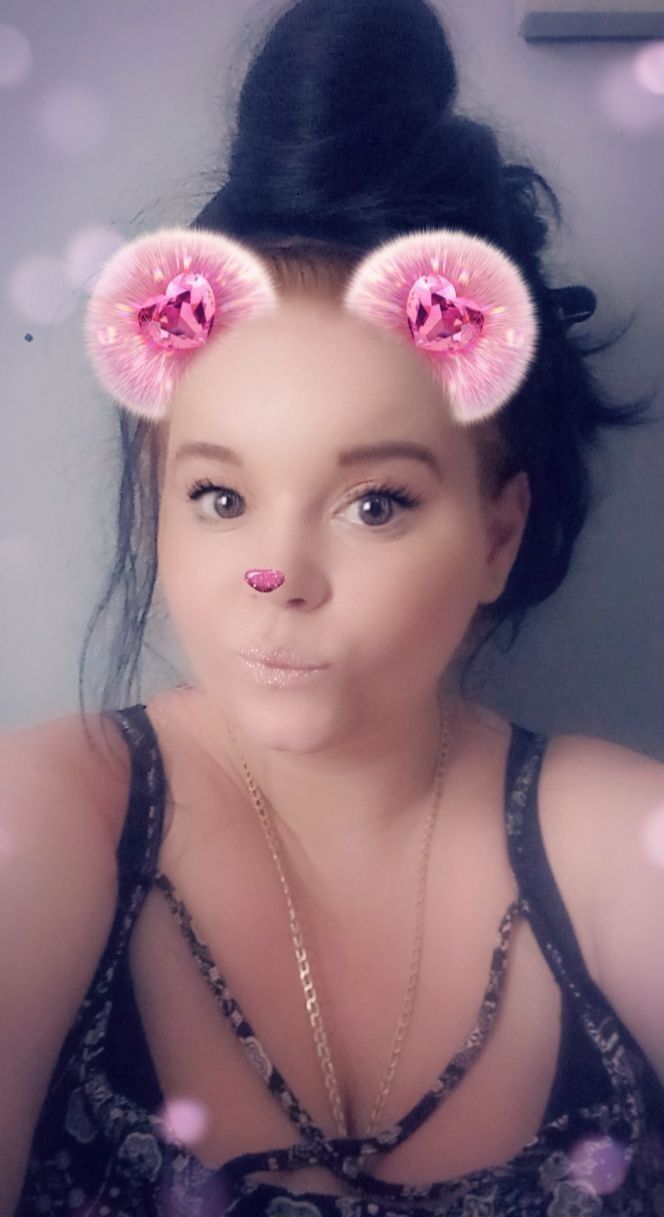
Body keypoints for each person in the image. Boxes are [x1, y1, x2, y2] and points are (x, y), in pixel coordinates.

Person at [4, 0, 664, 1213]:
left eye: (373, 502)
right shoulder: (44, 823)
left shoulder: (618, 844)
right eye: (218, 495)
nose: (278, 574)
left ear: (496, 534)